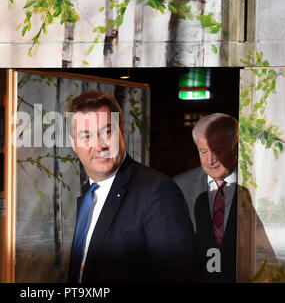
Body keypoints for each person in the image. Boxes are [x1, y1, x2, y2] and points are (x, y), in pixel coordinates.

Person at [66, 90, 200, 283]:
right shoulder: (88, 195)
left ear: (121, 131)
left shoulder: (157, 191)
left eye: (107, 132)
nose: (99, 144)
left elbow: (182, 277)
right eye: (86, 136)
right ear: (73, 143)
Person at [173, 113, 238, 283]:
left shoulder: (257, 186)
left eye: (217, 150)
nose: (210, 160)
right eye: (203, 151)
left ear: (235, 146)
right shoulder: (180, 185)